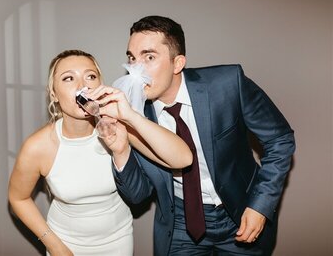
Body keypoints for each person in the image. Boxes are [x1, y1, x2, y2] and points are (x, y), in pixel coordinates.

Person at [111, 15, 296, 256]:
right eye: (132, 58)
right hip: (179, 224)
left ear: (177, 63)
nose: (136, 69)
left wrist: (260, 206)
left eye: (149, 57)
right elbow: (138, 195)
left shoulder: (228, 84)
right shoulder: (133, 113)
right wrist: (119, 149)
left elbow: (280, 139)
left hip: (239, 212)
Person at [8, 49, 192, 256]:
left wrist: (130, 117)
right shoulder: (38, 146)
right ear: (53, 93)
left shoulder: (118, 127)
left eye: (91, 76)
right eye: (69, 78)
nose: (82, 86)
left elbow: (183, 158)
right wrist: (54, 246)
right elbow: (18, 199)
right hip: (64, 243)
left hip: (118, 241)